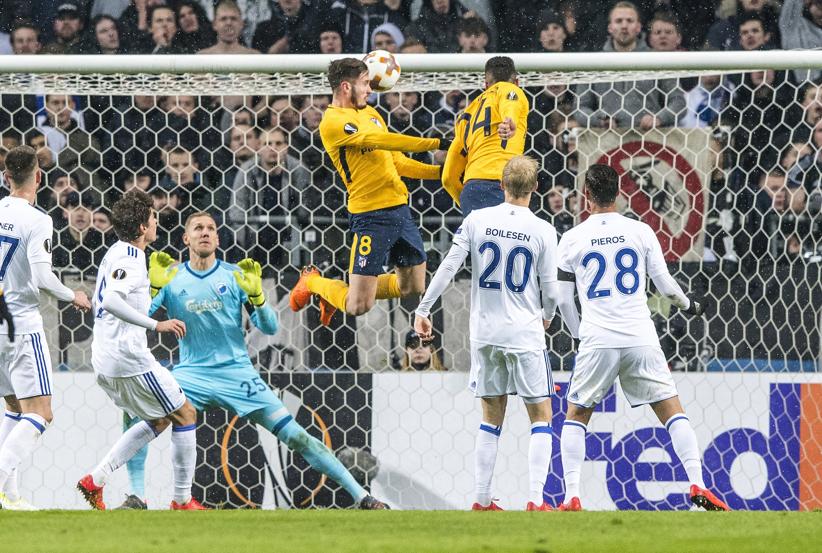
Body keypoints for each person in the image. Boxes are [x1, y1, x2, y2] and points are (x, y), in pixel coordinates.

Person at [144, 211, 389, 509]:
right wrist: (153, 290)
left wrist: (258, 296)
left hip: (238, 375)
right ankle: (129, 491)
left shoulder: (235, 276)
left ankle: (363, 497)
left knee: (297, 437)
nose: (205, 232)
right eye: (198, 228)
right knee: (144, 421)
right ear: (186, 238)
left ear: (218, 238)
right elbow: (142, 317)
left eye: (210, 228)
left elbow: (270, 327)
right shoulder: (171, 277)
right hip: (191, 374)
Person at [553, 164, 729, 512]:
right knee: (671, 410)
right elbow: (665, 285)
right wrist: (690, 305)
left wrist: (579, 335)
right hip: (640, 337)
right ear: (618, 193)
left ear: (586, 195)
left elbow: (563, 300)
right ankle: (698, 484)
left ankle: (572, 495)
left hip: (598, 339)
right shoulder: (641, 231)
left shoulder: (572, 238)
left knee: (576, 414)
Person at [415, 155, 560, 512]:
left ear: (501, 184)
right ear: (535, 187)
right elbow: (551, 288)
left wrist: (423, 309)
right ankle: (536, 499)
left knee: (491, 417)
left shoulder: (477, 220)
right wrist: (547, 316)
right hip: (525, 333)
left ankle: (481, 498)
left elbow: (449, 266)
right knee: (541, 415)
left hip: (485, 334)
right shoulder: (543, 229)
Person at [289, 58, 448, 327]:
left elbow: (398, 162)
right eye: (365, 83)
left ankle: (346, 289)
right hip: (371, 216)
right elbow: (378, 140)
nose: (370, 90)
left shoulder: (372, 114)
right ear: (345, 87)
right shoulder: (333, 122)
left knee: (413, 286)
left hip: (400, 210)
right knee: (358, 305)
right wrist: (436, 143)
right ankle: (314, 282)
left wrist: (441, 174)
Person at [76, 190, 204, 511]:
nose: (157, 222)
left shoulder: (115, 252)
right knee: (185, 414)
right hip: (128, 358)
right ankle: (182, 500)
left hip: (106, 357)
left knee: (159, 418)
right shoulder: (131, 258)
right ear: (142, 228)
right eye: (153, 218)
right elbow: (111, 300)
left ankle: (96, 480)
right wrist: (156, 325)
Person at [0, 146, 91, 510]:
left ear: (6, 177)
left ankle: (11, 496)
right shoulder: (38, 220)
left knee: (13, 406)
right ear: (38, 177)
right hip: (21, 325)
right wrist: (73, 295)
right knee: (40, 412)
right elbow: (41, 277)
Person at [441, 56, 529, 217]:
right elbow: (510, 102)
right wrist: (510, 121)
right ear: (517, 82)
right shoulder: (511, 90)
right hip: (502, 185)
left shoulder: (466, 115)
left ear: (486, 85)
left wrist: (467, 202)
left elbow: (448, 178)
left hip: (472, 190)